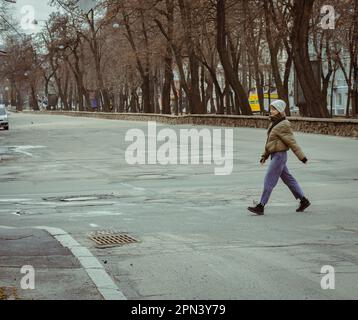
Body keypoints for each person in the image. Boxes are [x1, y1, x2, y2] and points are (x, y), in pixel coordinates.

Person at [248, 100, 311, 216]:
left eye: (274, 109)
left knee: (269, 179)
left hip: (279, 156)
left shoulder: (283, 125)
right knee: (288, 179)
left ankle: (261, 206)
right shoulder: (274, 123)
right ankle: (304, 200)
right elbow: (270, 143)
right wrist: (264, 156)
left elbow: (292, 142)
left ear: (280, 111)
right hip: (275, 155)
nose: (271, 111)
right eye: (271, 109)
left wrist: (302, 158)